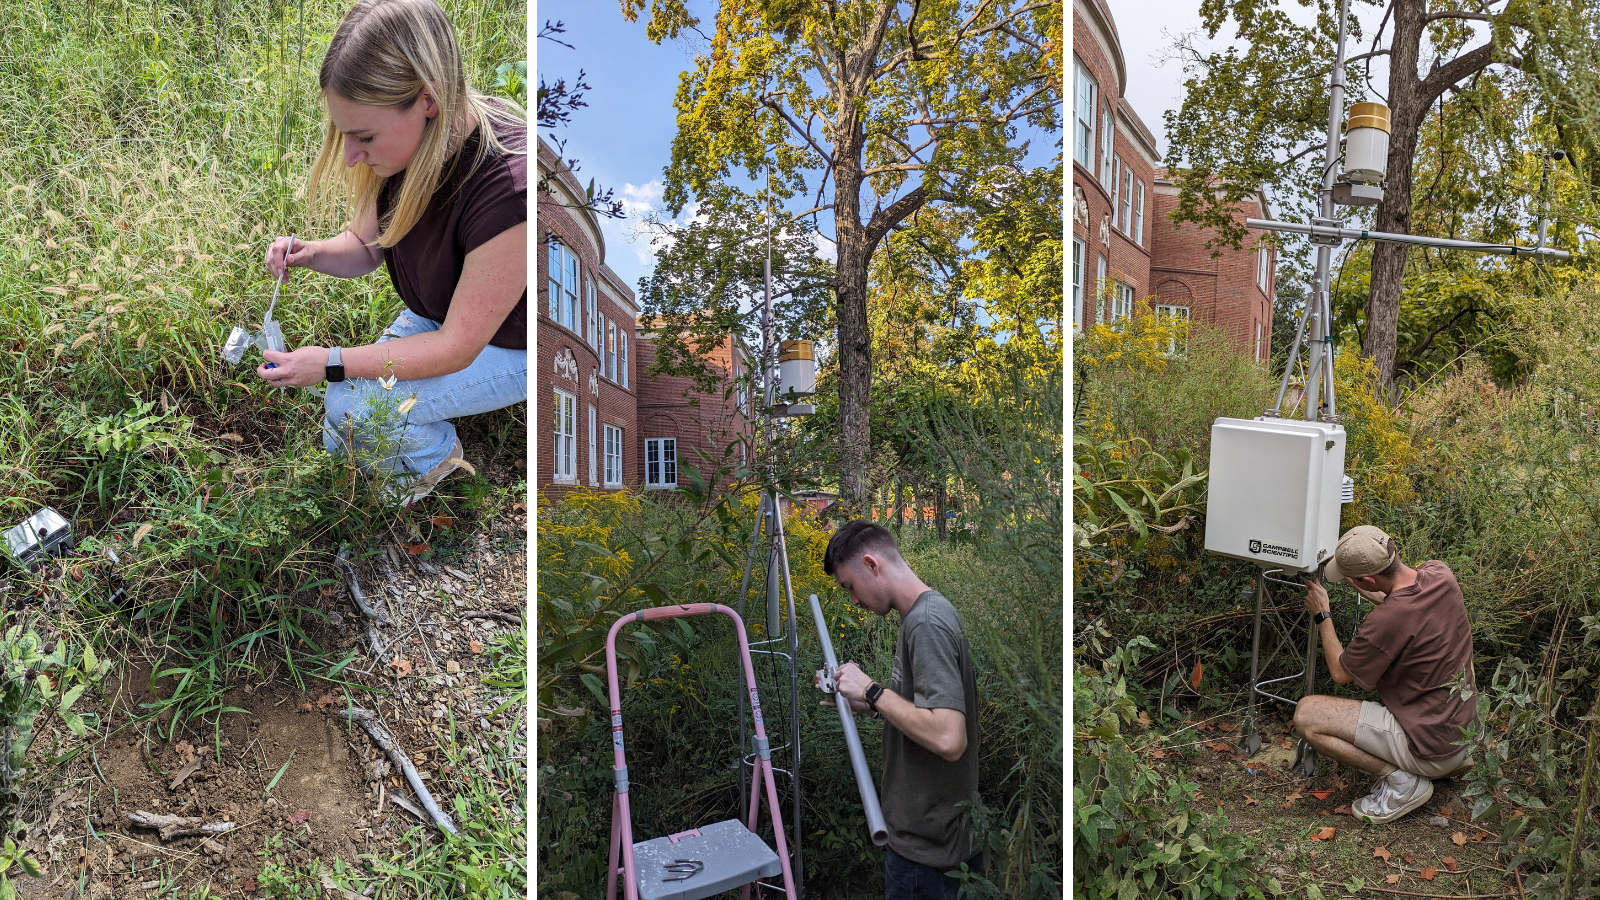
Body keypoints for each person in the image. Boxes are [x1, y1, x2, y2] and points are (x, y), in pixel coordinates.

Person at [254, 0, 527, 505]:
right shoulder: (408, 144)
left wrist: (331, 361)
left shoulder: (511, 187)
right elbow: (363, 246)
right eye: (344, 134)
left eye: (364, 136)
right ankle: (394, 457)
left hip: (510, 347)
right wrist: (311, 252)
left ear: (428, 99)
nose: (352, 155)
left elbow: (456, 349)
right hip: (436, 315)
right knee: (341, 437)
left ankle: (439, 465)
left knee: (348, 408)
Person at [818, 521, 981, 900]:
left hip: (932, 862)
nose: (853, 600)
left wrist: (872, 690)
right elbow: (925, 712)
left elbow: (948, 737)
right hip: (927, 850)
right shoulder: (921, 616)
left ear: (873, 565)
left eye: (850, 587)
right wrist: (869, 704)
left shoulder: (925, 624)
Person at [1297, 525, 1478, 825]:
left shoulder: (1386, 621)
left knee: (1307, 715)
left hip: (1428, 744)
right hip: (1459, 733)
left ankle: (1405, 782)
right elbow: (1402, 604)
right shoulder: (1439, 574)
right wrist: (1362, 582)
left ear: (1369, 579)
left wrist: (1322, 614)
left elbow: (1341, 672)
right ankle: (1449, 763)